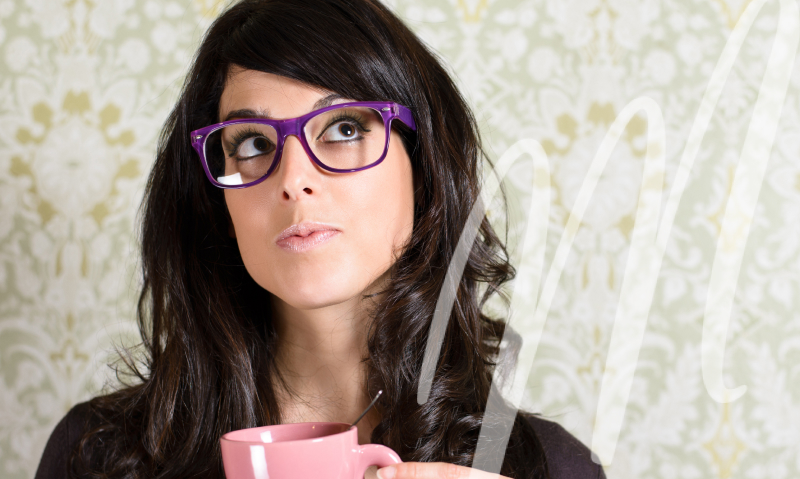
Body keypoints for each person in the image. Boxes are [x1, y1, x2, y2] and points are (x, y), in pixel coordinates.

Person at [34, 1, 606, 478]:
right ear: (218, 202)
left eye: (345, 129)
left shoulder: (545, 466)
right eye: (253, 143)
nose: (294, 180)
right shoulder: (99, 455)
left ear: (425, 164)